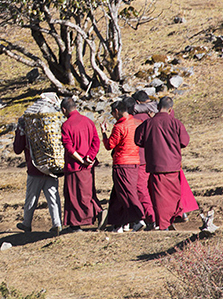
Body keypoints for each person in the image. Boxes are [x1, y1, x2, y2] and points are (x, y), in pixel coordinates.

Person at [132, 90, 199, 227]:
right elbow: (184, 142)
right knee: (174, 194)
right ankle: (176, 215)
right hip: (173, 165)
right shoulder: (176, 123)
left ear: (157, 108)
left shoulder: (149, 123)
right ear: (170, 109)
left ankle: (164, 224)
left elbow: (138, 141)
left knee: (160, 197)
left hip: (156, 165)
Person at [100, 99, 146, 233]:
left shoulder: (119, 127)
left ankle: (138, 218)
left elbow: (109, 145)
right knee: (117, 194)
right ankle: (118, 224)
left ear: (116, 112)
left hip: (122, 164)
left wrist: (103, 133)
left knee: (127, 193)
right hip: (135, 162)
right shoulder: (137, 123)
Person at [60, 97, 105, 233]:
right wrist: (89, 157)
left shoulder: (66, 125)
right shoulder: (88, 121)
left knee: (73, 195)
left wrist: (80, 160)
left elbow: (69, 148)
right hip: (88, 166)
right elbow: (96, 142)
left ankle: (75, 225)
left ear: (64, 110)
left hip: (74, 166)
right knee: (88, 192)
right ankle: (99, 212)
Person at [13, 116, 63, 236]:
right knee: (53, 198)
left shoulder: (28, 130)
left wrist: (19, 131)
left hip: (34, 169)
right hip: (51, 168)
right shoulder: (51, 129)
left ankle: (27, 223)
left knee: (31, 198)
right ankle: (57, 224)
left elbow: (17, 149)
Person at [129, 91, 157, 229]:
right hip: (157, 157)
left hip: (140, 158)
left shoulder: (134, 118)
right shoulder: (156, 114)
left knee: (141, 188)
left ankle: (151, 217)